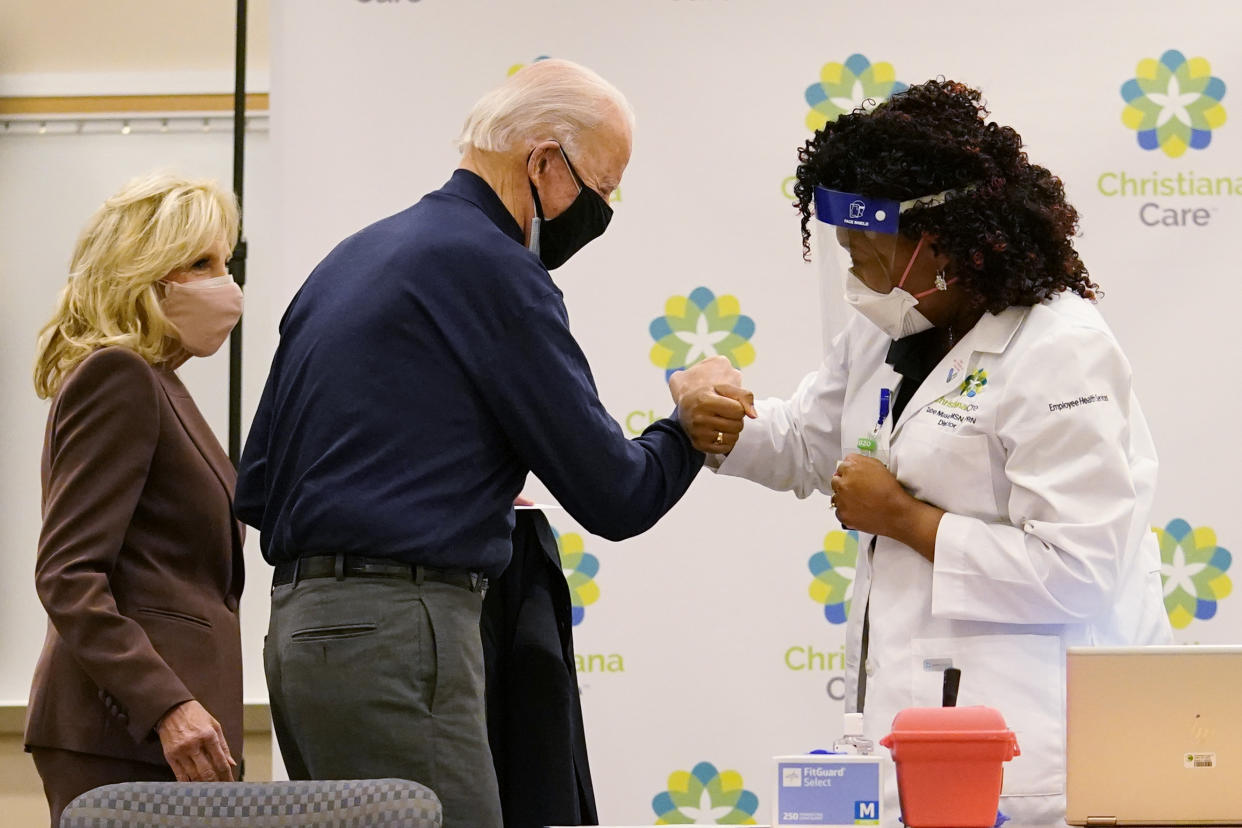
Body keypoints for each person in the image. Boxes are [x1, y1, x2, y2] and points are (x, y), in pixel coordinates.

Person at [235, 58, 752, 828]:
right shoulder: (494, 269)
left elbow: (257, 484)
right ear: (544, 162)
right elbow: (615, 493)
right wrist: (688, 421)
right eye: (601, 190)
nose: (602, 213)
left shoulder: (349, 261)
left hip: (298, 635)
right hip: (402, 635)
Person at [693, 79, 1171, 826]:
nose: (854, 279)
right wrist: (715, 418)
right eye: (844, 254)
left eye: (868, 254)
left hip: (1023, 754)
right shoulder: (894, 323)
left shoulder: (1060, 351)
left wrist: (909, 520)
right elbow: (813, 445)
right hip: (904, 739)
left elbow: (1084, 572)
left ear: (937, 243)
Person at [25, 173, 246, 827]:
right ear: (145, 273)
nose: (224, 284)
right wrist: (166, 705)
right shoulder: (118, 375)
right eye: (201, 263)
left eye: (226, 264)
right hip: (128, 730)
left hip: (168, 731)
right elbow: (68, 576)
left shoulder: (159, 382)